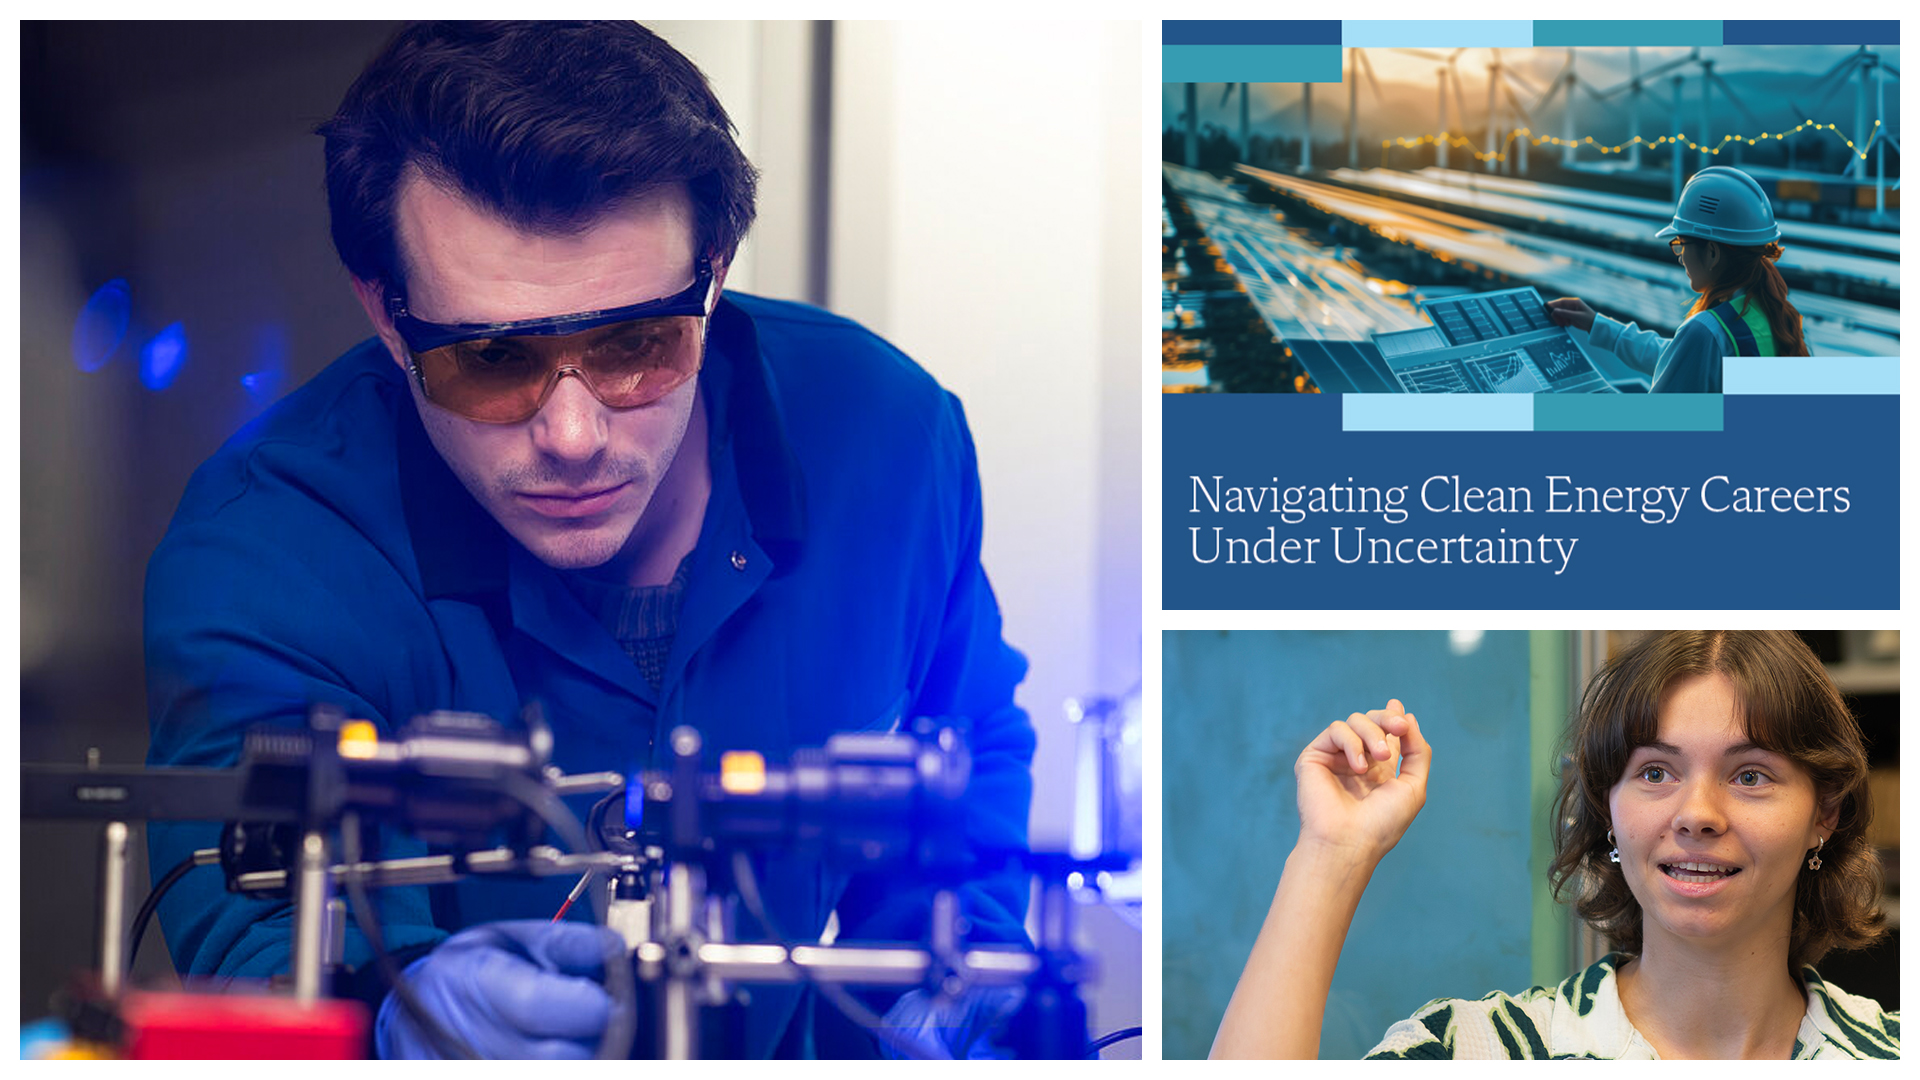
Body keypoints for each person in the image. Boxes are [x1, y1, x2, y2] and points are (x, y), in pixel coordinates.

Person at [144, 21, 1035, 1060]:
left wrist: (962, 972)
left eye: (633, 344)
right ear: (387, 316)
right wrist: (394, 1025)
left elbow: (964, 763)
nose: (573, 437)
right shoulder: (268, 548)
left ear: (712, 271)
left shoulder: (886, 440)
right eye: (490, 356)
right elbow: (250, 929)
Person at [1210, 631, 1897, 1059]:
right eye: (1655, 772)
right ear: (1607, 810)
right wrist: (1332, 854)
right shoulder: (1475, 1051)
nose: (1697, 814)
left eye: (1751, 776)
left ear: (1824, 815)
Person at [1546, 167, 1809, 392]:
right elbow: (1678, 358)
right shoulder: (1775, 316)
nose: (1680, 256)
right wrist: (1598, 325)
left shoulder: (1707, 331)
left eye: (1681, 243)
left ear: (1712, 252)